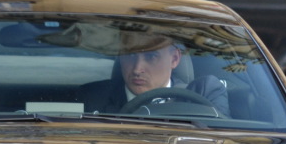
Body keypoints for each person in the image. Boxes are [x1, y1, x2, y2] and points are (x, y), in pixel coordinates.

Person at [76, 37, 230, 116]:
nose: (137, 69)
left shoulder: (205, 94)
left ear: (174, 59)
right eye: (130, 56)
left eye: (151, 57)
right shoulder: (92, 98)